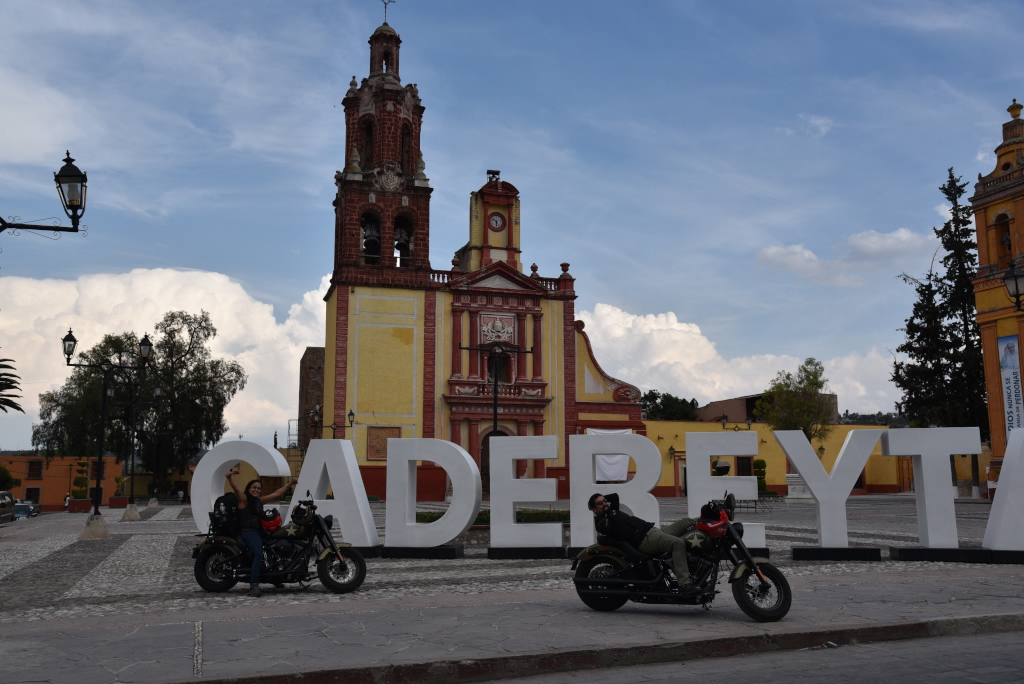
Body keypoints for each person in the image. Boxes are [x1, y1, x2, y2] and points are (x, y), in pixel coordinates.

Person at [588, 492, 699, 595]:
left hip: (653, 531)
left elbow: (615, 496)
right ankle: (684, 584)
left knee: (686, 522)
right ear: (593, 509)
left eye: (604, 501)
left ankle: (711, 519)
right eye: (600, 503)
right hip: (645, 540)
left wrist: (604, 501)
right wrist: (605, 517)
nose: (604, 504)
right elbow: (604, 527)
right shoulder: (601, 522)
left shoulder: (612, 510)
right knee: (678, 544)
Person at [225, 468, 293, 597]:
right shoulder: (244, 500)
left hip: (259, 531)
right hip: (248, 532)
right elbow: (237, 490)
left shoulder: (259, 501)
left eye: (258, 488)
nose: (256, 490)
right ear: (249, 488)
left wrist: (290, 484)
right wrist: (230, 478)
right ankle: (254, 585)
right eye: (254, 487)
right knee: (258, 554)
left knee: (275, 546)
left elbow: (276, 494)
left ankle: (275, 577)